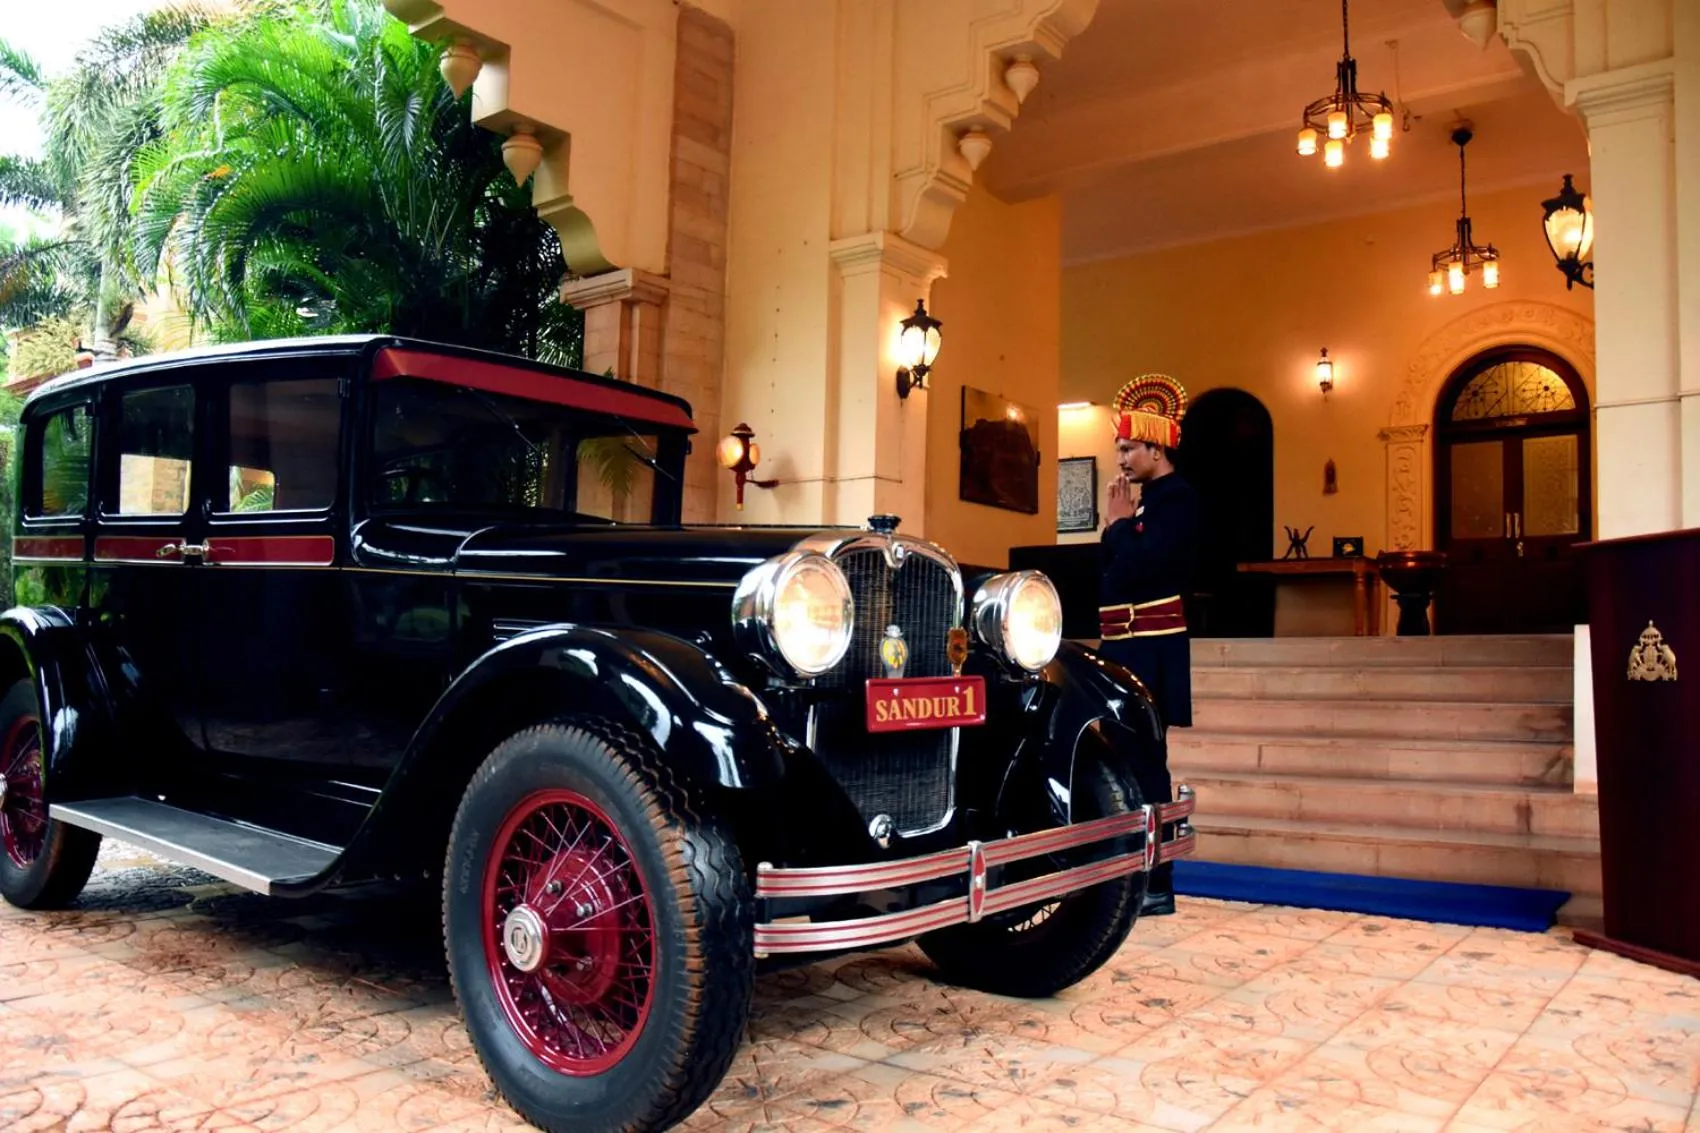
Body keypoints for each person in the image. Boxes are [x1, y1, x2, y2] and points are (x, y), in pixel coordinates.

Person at [1097, 374, 1199, 916]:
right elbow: (1118, 565)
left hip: (1151, 648)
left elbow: (1144, 563)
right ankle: (1129, 874)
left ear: (1157, 449)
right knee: (1122, 762)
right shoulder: (1144, 502)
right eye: (1119, 448)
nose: (1121, 459)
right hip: (1123, 644)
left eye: (1129, 448)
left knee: (1146, 766)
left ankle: (1157, 881)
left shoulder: (1178, 500)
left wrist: (1116, 528)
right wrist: (1117, 528)